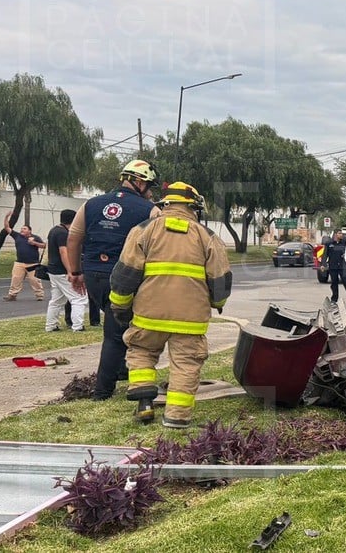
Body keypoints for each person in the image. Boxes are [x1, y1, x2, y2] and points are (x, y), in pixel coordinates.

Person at [110, 182, 231, 428]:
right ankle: (177, 417)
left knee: (142, 352)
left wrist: (120, 306)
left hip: (148, 314)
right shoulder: (208, 237)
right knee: (186, 364)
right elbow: (220, 281)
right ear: (194, 207)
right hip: (191, 319)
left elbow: (125, 275)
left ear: (165, 204)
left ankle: (144, 403)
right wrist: (216, 303)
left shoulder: (143, 230)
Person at [66, 159, 162, 401]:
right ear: (138, 182)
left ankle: (121, 371)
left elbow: (74, 239)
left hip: (93, 274)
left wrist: (75, 272)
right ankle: (102, 391)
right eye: (149, 185)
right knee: (116, 336)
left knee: (116, 327)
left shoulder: (90, 204)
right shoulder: (149, 210)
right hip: (124, 278)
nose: (150, 191)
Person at [44, 209, 88, 332]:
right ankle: (78, 326)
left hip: (53, 271)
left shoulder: (54, 230)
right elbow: (64, 252)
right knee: (79, 297)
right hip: (63, 271)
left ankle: (51, 325)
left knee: (57, 300)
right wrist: (71, 271)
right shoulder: (63, 233)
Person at [2, 212, 47, 301]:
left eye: (24, 229)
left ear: (30, 231)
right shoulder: (17, 236)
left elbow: (44, 246)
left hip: (33, 263)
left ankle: (39, 295)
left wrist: (34, 243)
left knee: (34, 280)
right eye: (21, 228)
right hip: (19, 262)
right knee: (16, 279)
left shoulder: (35, 237)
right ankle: (12, 295)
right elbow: (7, 228)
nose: (22, 230)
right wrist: (6, 217)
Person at [323, 230, 346, 302]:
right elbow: (325, 254)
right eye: (339, 233)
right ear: (335, 234)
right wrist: (323, 264)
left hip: (343, 266)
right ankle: (334, 299)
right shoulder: (329, 243)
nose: (341, 235)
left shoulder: (345, 242)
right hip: (333, 266)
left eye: (341, 233)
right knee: (334, 283)